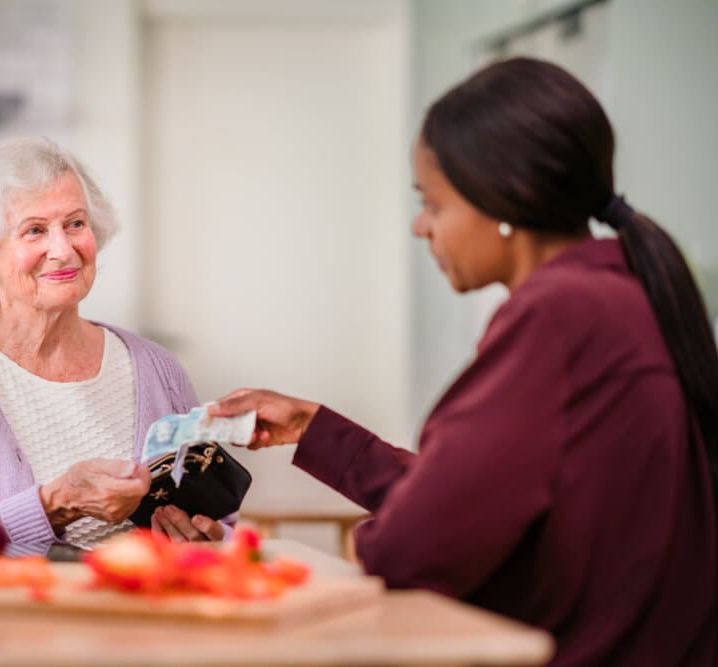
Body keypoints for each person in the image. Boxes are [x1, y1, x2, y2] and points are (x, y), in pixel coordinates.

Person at [210, 58, 717, 665]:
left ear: (503, 203)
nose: (421, 227)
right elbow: (478, 501)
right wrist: (315, 429)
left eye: (434, 203)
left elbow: (413, 547)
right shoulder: (622, 294)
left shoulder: (560, 316)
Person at [0, 137, 228, 548]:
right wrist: (54, 504)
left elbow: (222, 522)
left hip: (146, 606)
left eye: (75, 224)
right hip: (8, 612)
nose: (62, 250)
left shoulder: (159, 369)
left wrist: (209, 537)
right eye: (35, 230)